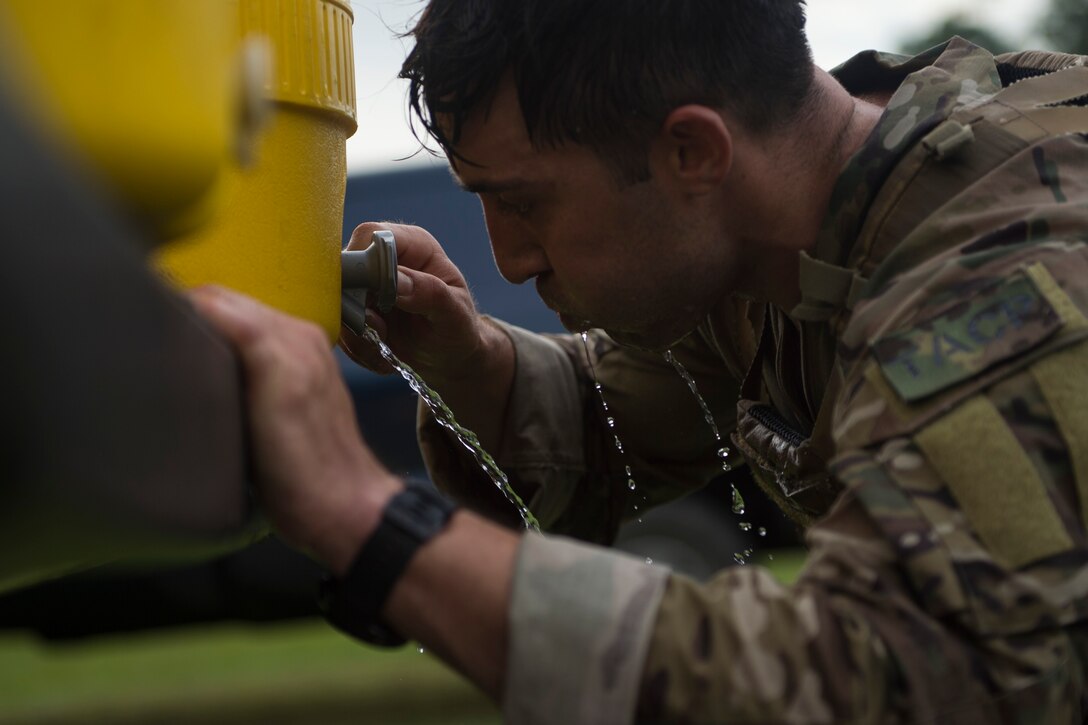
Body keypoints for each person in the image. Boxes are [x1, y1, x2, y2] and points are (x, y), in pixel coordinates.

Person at [190, 1, 1088, 722]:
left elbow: (875, 678)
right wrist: (472, 362)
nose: (509, 259)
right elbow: (617, 422)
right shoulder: (781, 234)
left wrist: (363, 515)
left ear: (693, 151)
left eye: (526, 203)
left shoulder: (1007, 276)